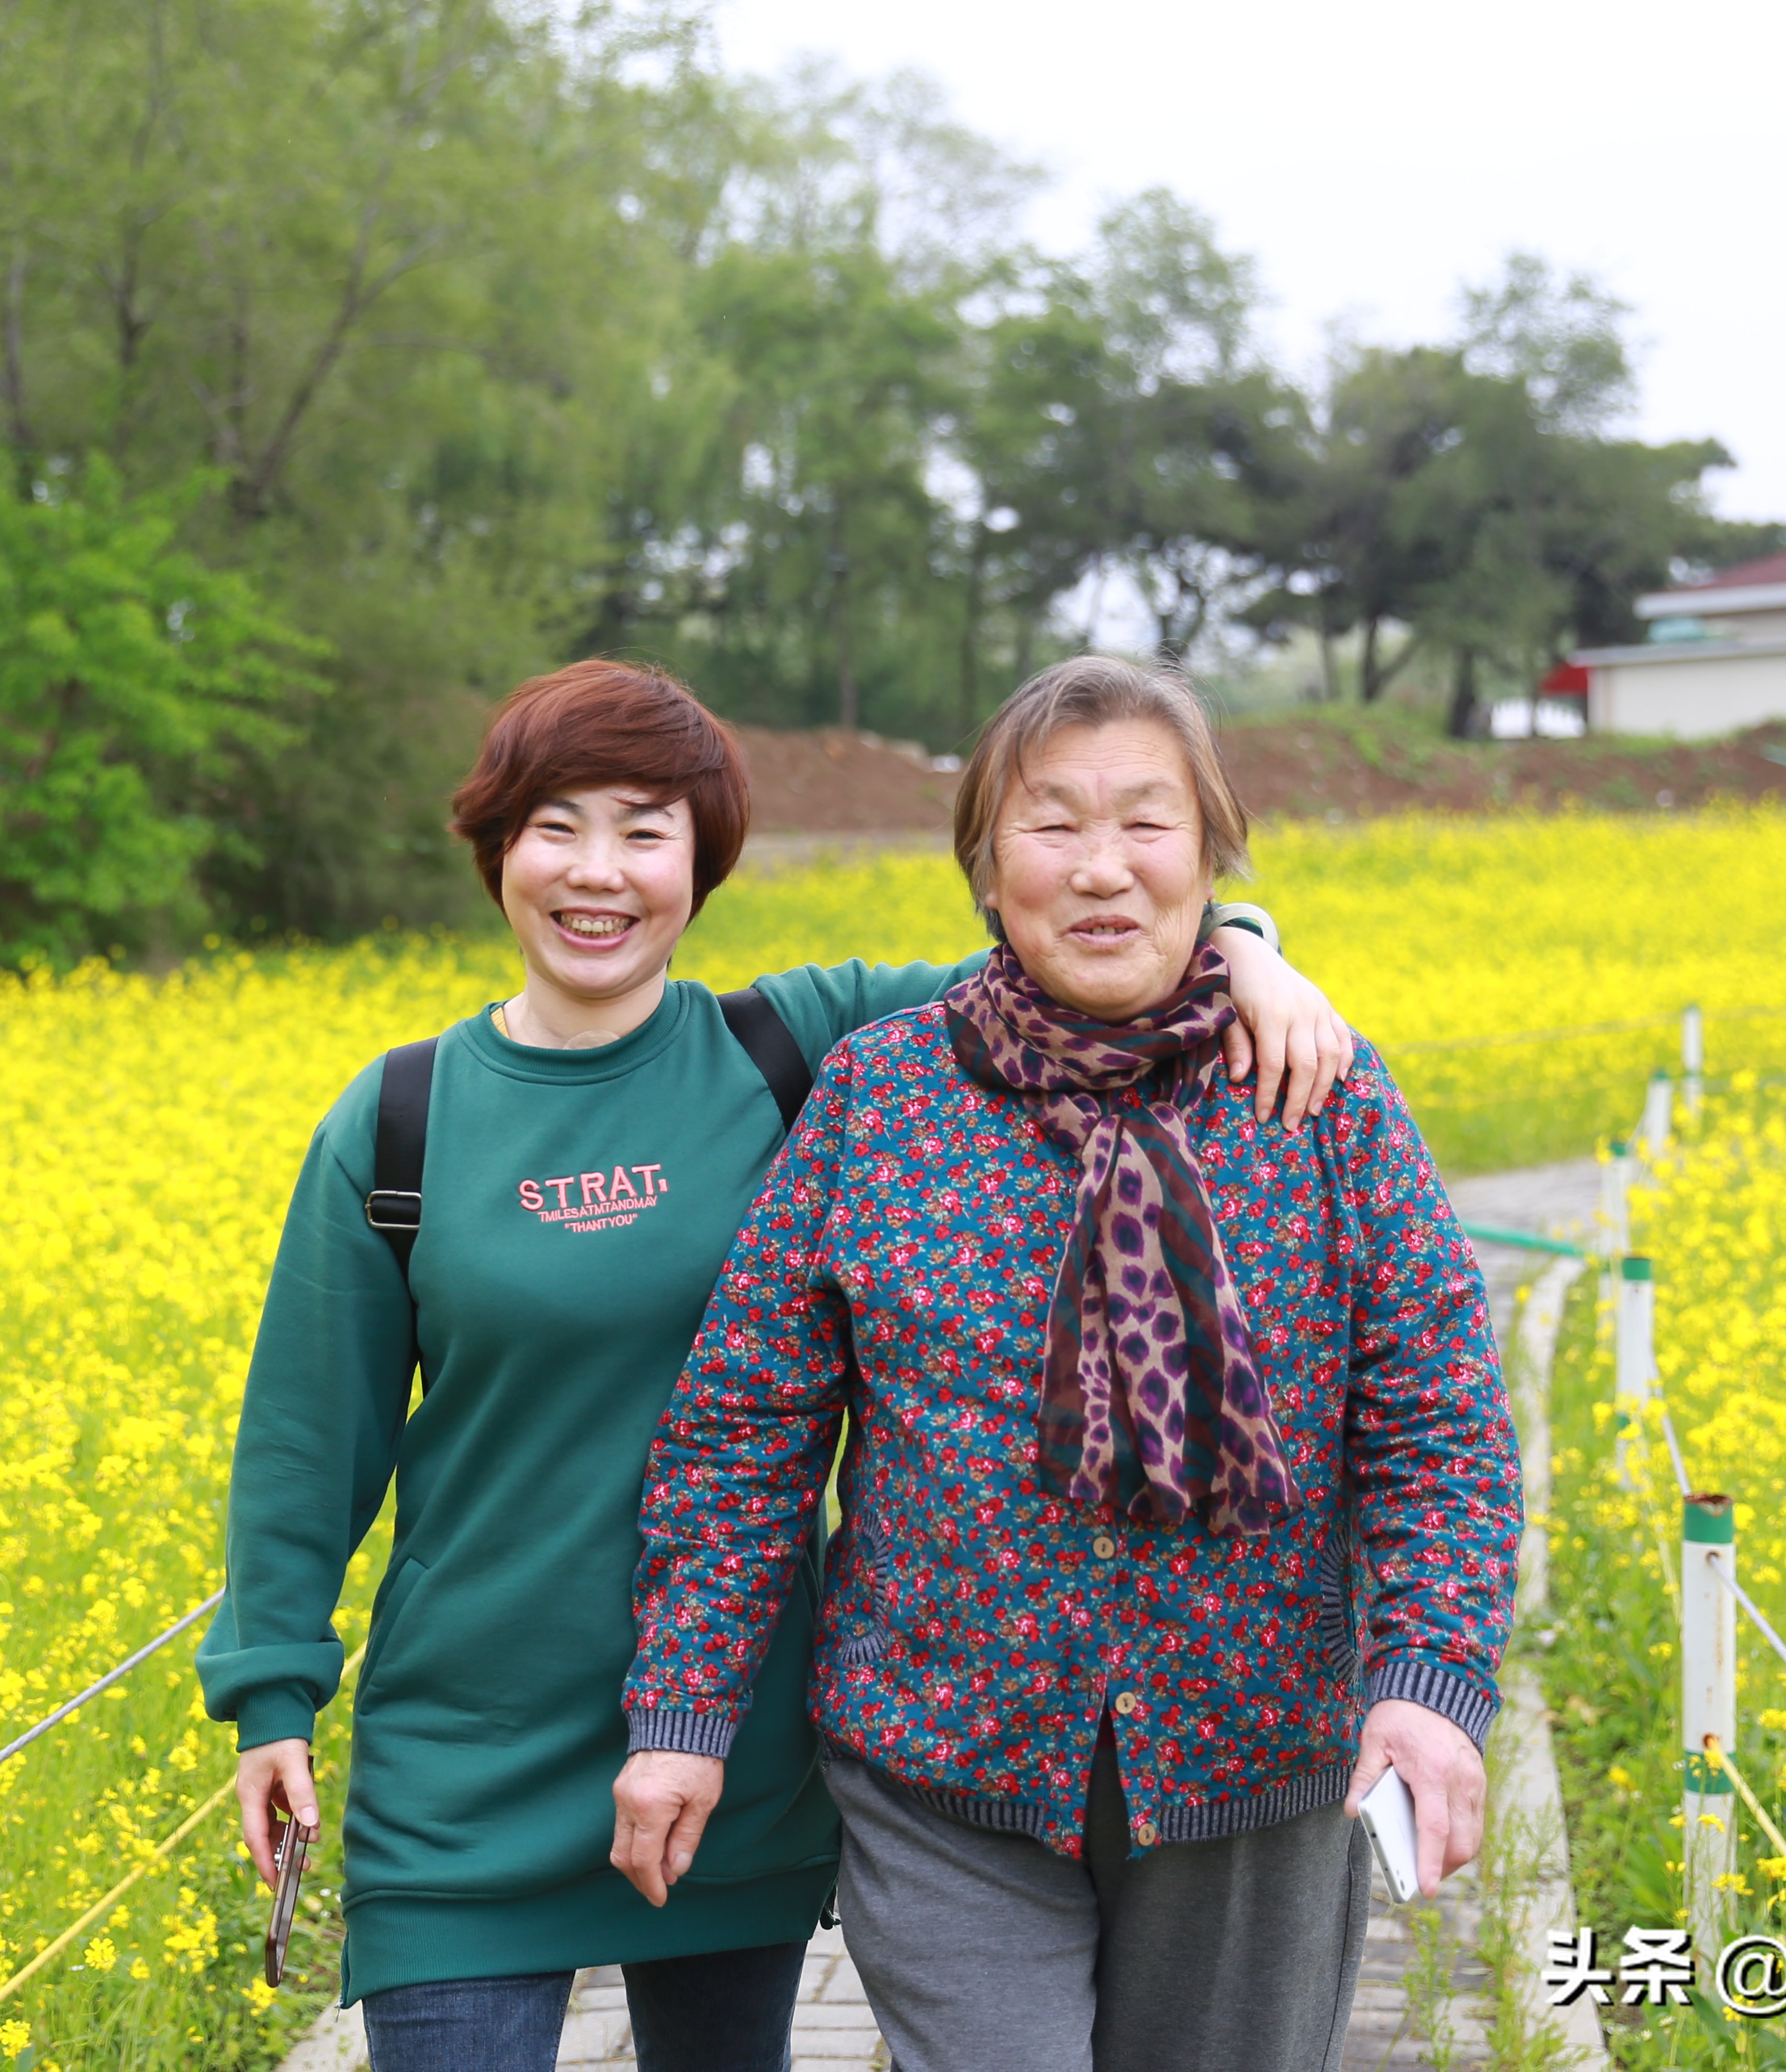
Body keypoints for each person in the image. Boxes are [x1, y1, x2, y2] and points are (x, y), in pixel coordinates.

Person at [198, 658, 1354, 2072]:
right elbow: (310, 1439)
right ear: (498, 848)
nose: (598, 874)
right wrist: (274, 1696)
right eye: (555, 826)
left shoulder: (792, 1047)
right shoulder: (398, 1122)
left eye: (644, 829)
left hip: (730, 1745)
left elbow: (1086, 942)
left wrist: (1247, 944)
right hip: (465, 1758)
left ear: (704, 861)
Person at [610, 654, 1520, 2072]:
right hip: (944, 1764)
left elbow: (1438, 1422)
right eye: (1052, 825)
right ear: (985, 872)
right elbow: (747, 1427)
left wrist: (1434, 1678)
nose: (1103, 868)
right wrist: (685, 1709)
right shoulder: (884, 1091)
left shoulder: (1320, 1090)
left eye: (1146, 822)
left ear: (1210, 859)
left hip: (1257, 1762)